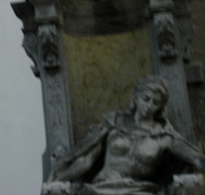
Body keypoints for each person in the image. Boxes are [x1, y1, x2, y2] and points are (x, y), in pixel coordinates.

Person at [50, 75, 205, 195]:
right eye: (146, 99)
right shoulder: (114, 122)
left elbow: (196, 158)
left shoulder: (164, 135)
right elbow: (86, 159)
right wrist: (59, 177)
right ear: (136, 97)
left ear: (160, 107)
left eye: (155, 103)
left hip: (139, 189)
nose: (149, 106)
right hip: (102, 187)